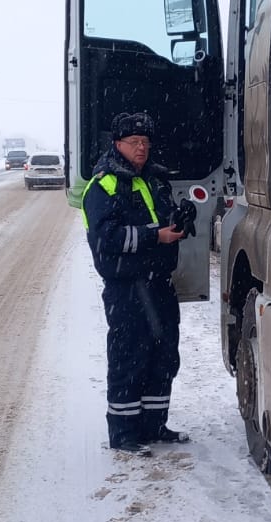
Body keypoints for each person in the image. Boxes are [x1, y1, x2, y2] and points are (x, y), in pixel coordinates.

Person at [80, 111, 194, 453]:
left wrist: (183, 220)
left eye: (145, 142)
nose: (142, 148)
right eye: (134, 142)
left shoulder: (155, 180)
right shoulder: (104, 184)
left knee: (163, 356)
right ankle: (124, 434)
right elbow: (107, 239)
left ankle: (154, 425)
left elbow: (165, 223)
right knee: (129, 357)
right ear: (118, 144)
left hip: (160, 283)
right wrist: (153, 236)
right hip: (127, 288)